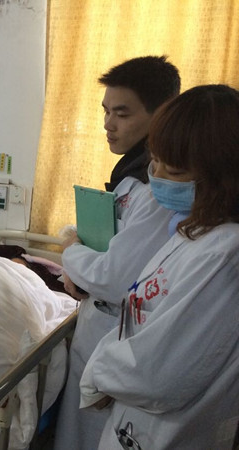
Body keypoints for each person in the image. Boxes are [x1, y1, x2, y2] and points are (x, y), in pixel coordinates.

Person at [79, 84, 239, 449]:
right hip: (132, 419)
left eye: (176, 171)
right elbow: (140, 319)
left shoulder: (223, 255)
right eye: (156, 162)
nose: (159, 178)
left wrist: (99, 373)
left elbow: (158, 374)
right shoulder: (192, 232)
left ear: (225, 177)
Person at [54, 56, 181, 449]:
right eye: (106, 111)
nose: (108, 124)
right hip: (99, 326)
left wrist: (70, 249)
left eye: (122, 114)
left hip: (117, 336)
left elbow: (113, 278)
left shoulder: (155, 190)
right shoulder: (129, 175)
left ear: (162, 114)